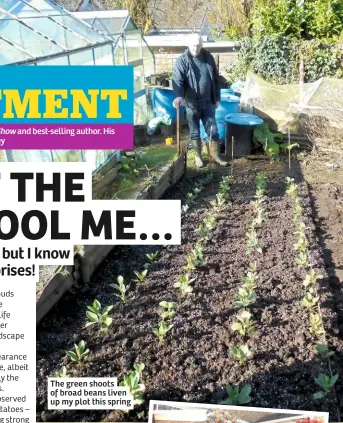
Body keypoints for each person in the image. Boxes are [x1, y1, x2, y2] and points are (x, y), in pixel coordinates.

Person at [172, 33, 228, 167]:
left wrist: (217, 98)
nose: (195, 49)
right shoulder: (182, 61)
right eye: (192, 46)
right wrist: (178, 95)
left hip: (208, 101)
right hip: (191, 103)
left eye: (197, 46)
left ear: (201, 46)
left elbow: (215, 78)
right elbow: (177, 80)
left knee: (213, 130)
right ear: (188, 45)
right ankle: (198, 157)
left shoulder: (208, 57)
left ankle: (215, 156)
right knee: (194, 130)